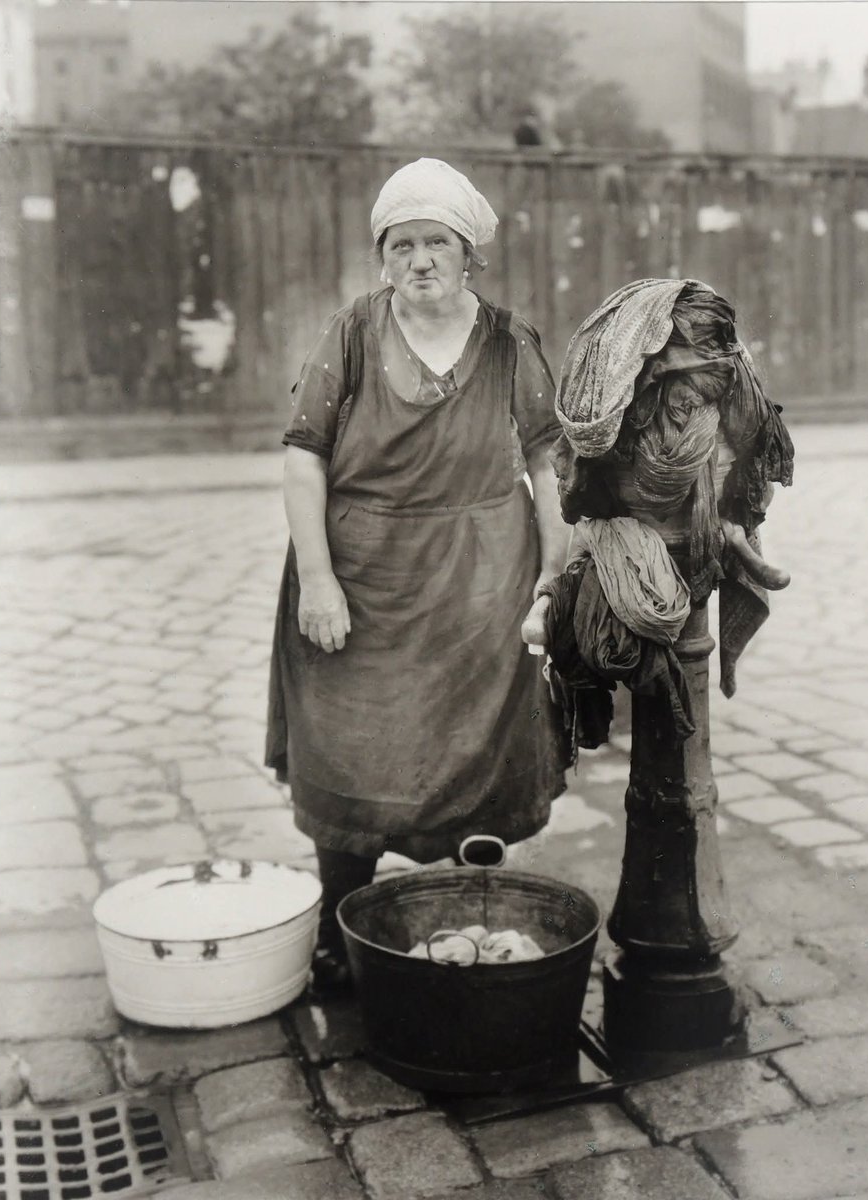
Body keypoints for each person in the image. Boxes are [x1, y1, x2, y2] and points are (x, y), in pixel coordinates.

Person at [266, 157, 570, 990]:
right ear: (382, 257)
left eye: (437, 243)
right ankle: (341, 929)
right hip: (362, 582)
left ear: (469, 253)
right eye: (401, 246)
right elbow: (304, 460)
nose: (420, 261)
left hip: (480, 587)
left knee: (480, 747)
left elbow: (550, 461)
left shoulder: (509, 342)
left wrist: (553, 576)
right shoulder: (351, 334)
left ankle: (466, 906)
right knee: (350, 750)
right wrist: (320, 583)